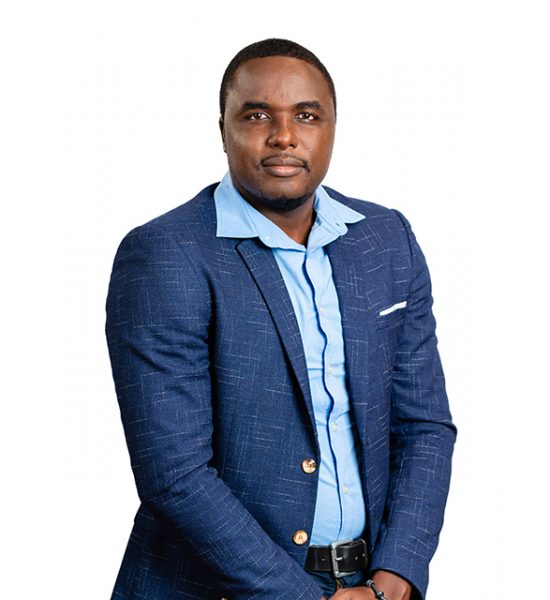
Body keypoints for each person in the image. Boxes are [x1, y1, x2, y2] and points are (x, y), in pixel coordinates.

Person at [105, 38, 456, 600]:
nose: (284, 135)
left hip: (370, 584)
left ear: (333, 127)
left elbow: (424, 426)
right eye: (257, 115)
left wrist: (394, 579)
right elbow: (174, 473)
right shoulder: (167, 254)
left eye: (307, 116)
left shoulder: (386, 239)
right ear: (223, 129)